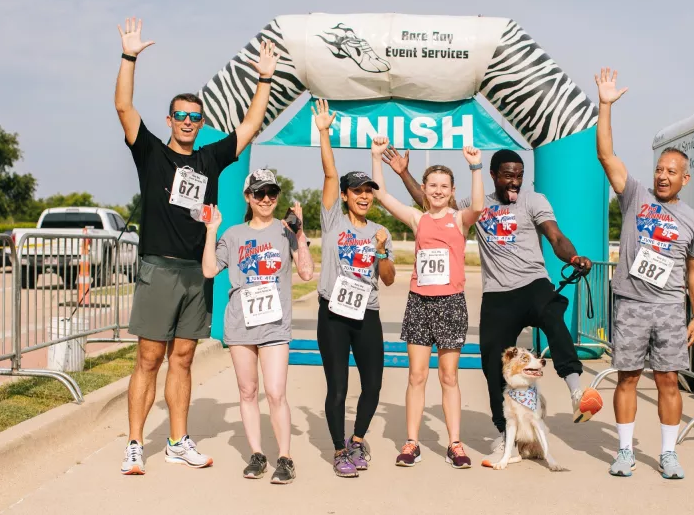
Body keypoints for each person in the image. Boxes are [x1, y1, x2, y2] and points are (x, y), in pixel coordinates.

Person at [114, 17, 279, 475]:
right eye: (180, 116)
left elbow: (249, 125)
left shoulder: (209, 158)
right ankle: (133, 444)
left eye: (194, 117)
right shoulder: (149, 151)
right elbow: (124, 106)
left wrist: (264, 78)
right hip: (158, 269)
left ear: (200, 123)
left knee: (183, 358)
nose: (187, 122)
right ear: (169, 120)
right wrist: (129, 56)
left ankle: (177, 441)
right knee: (149, 357)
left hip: (196, 272)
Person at [381, 147, 603, 469]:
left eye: (519, 176)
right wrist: (403, 173)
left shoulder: (533, 200)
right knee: (490, 360)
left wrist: (572, 256)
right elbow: (431, 203)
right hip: (498, 294)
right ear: (494, 176)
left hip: (532, 283)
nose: (514, 181)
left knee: (553, 315)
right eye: (508, 176)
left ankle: (575, 391)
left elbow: (555, 236)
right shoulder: (477, 204)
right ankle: (504, 433)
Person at [595, 67, 694, 479]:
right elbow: (606, 155)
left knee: (669, 382)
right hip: (631, 304)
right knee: (626, 378)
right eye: (659, 168)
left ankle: (668, 454)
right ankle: (624, 452)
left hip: (670, 310)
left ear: (684, 178)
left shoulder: (693, 220)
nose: (662, 175)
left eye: (671, 171)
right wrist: (605, 106)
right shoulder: (635, 195)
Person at [372, 137, 484, 469]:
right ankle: (411, 442)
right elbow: (381, 194)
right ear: (423, 188)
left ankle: (455, 443)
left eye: (444, 186)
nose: (437, 190)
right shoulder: (417, 219)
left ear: (451, 191)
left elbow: (478, 205)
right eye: (432, 185)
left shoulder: (461, 219)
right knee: (416, 375)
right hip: (420, 303)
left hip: (451, 303)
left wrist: (476, 166)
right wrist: (377, 158)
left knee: (449, 376)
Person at [201, 169, 313, 483]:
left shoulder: (285, 231)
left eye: (272, 193)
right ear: (248, 197)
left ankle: (285, 458)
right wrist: (212, 230)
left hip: (275, 325)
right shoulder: (233, 234)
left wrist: (300, 233)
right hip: (240, 325)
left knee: (276, 392)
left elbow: (306, 272)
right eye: (259, 193)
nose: (266, 199)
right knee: (248, 391)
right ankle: (257, 454)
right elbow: (210, 270)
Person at [312, 99, 396, 478]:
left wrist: (381, 252)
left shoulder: (381, 232)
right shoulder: (332, 222)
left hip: (368, 313)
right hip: (334, 313)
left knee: (374, 385)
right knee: (338, 388)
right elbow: (330, 175)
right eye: (357, 190)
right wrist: (325, 132)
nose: (364, 195)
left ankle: (358, 439)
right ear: (345, 195)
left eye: (369, 191)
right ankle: (338, 450)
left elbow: (390, 278)